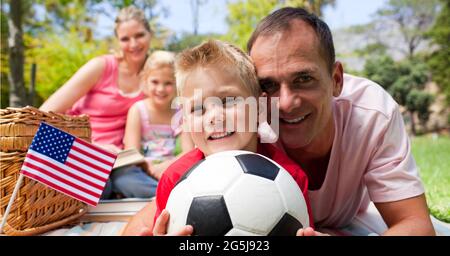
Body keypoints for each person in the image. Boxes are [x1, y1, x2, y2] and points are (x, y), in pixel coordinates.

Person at [246, 7, 434, 236]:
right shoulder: (244, 125)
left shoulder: (372, 113)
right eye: (268, 85)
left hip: (354, 220)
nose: (286, 103)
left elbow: (416, 226)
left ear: (336, 80)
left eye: (303, 79)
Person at [122, 39, 314, 236]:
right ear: (185, 120)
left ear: (260, 107)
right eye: (198, 108)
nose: (214, 117)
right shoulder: (174, 179)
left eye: (228, 101)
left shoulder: (291, 177)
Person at [39, 6, 151, 198]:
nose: (133, 44)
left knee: (130, 183)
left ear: (150, 34)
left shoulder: (155, 76)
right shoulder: (101, 66)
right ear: (117, 41)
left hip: (118, 159)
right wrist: (90, 146)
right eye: (125, 38)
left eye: (139, 35)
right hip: (79, 147)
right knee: (102, 187)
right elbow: (44, 113)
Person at [111, 50, 193, 198]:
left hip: (171, 170)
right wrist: (150, 168)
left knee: (192, 168)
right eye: (155, 82)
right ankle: (168, 195)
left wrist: (164, 167)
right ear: (145, 81)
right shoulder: (138, 110)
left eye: (168, 83)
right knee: (121, 178)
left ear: (177, 85)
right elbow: (132, 153)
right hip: (143, 171)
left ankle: (166, 192)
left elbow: (188, 151)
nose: (161, 89)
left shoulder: (180, 111)